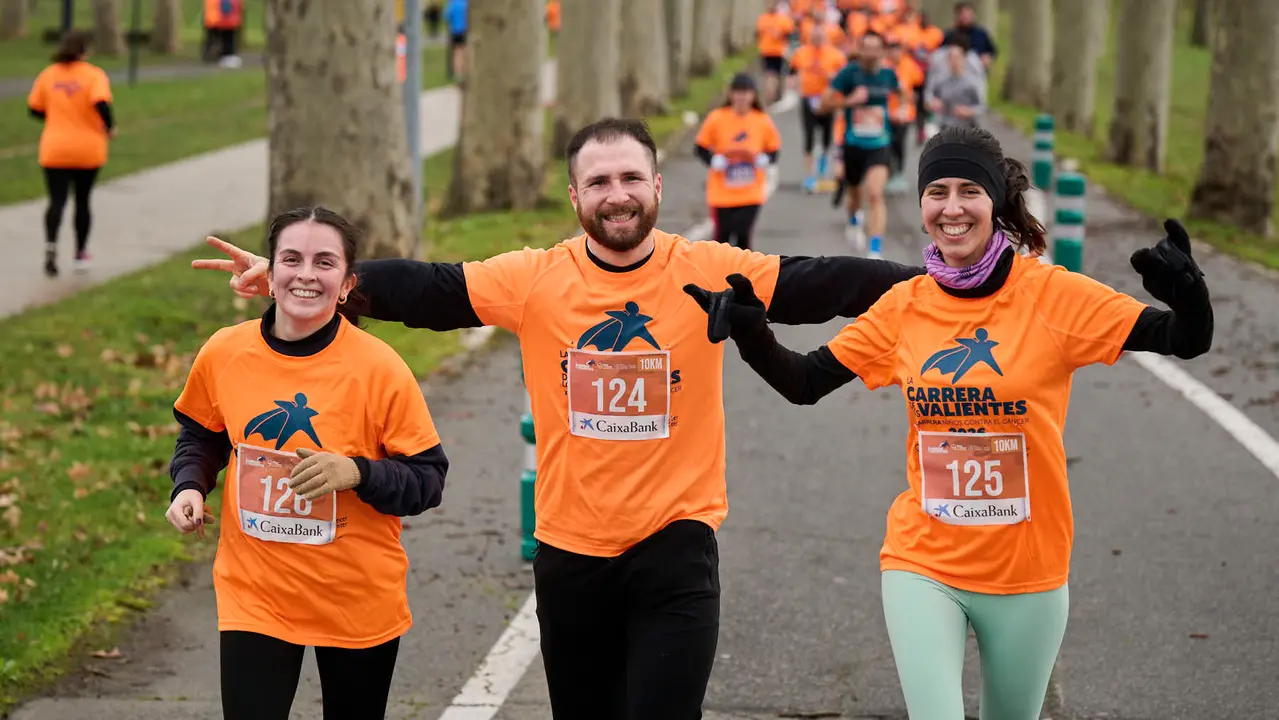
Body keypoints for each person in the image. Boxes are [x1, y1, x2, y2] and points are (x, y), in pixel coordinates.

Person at [193, 117, 921, 719]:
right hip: (569, 552)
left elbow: (824, 281)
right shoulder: (536, 280)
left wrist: (936, 282)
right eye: (599, 182)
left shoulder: (702, 269)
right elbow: (429, 289)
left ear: (657, 187)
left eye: (631, 178)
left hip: (676, 542)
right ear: (575, 195)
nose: (617, 195)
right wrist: (315, 288)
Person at [683, 125, 1214, 720]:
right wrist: (754, 334)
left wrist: (1191, 300)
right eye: (937, 192)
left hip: (1028, 570)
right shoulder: (907, 304)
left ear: (996, 203)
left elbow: (1181, 339)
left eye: (969, 191)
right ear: (921, 205)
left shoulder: (1052, 297)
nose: (952, 208)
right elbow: (804, 382)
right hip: (924, 562)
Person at [167, 206, 449, 720]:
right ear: (268, 274)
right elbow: (202, 436)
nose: (306, 274)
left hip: (355, 597)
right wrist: (188, 486)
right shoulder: (224, 352)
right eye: (291, 259)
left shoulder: (379, 368)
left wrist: (358, 473)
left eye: (325, 263)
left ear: (346, 285)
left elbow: (428, 479)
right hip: (256, 596)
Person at [27, 31, 114, 277]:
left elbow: (34, 109)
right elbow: (101, 103)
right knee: (83, 200)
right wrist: (109, 127)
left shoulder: (48, 75)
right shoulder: (93, 75)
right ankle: (80, 253)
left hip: (55, 147)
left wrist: (55, 117)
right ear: (85, 51)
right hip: (88, 148)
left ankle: (51, 247)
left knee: (56, 200)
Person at [820, 29, 898, 256]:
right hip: (853, 144)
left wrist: (900, 108)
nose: (872, 53)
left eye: (876, 48)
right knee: (854, 193)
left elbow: (904, 95)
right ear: (859, 50)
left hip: (880, 144)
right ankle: (854, 218)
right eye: (867, 48)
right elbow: (824, 105)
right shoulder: (848, 74)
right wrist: (849, 101)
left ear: (882, 51)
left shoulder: (889, 75)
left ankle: (875, 250)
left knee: (875, 193)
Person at [695, 73, 782, 250]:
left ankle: (743, 275)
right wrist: (714, 161)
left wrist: (764, 159)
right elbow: (700, 147)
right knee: (722, 238)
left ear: (753, 95)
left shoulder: (761, 120)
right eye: (738, 92)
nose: (742, 97)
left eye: (746, 93)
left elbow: (774, 149)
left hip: (751, 191)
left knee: (743, 234)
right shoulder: (717, 118)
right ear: (730, 94)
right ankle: (719, 275)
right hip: (721, 192)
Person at [789, 24, 847, 193]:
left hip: (827, 99)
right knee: (809, 136)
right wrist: (793, 84)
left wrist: (833, 80)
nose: (817, 39)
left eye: (820, 36)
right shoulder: (801, 53)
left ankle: (823, 163)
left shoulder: (835, 55)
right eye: (814, 36)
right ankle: (809, 175)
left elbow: (842, 78)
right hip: (808, 97)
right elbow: (792, 71)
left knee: (828, 134)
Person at [928, 42, 987, 129]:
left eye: (957, 58)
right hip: (945, 128)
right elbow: (931, 99)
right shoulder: (941, 82)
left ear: (963, 59)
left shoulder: (972, 83)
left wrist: (969, 111)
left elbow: (982, 107)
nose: (954, 61)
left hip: (967, 129)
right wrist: (933, 103)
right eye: (951, 58)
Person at [756, 1, 796, 106]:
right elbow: (790, 33)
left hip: (774, 51)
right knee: (772, 75)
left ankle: (773, 95)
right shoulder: (778, 19)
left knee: (773, 74)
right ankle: (771, 96)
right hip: (774, 51)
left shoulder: (765, 19)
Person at [943, 1, 997, 69]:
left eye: (969, 13)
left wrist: (987, 58)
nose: (966, 16)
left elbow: (991, 52)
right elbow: (941, 53)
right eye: (962, 14)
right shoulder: (950, 35)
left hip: (977, 71)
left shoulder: (981, 34)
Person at [444, 0, 468, 82]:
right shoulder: (466, 3)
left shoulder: (452, 3)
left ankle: (457, 73)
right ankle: (464, 71)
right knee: (464, 52)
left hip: (454, 31)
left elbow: (446, 17)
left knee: (457, 52)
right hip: (465, 30)